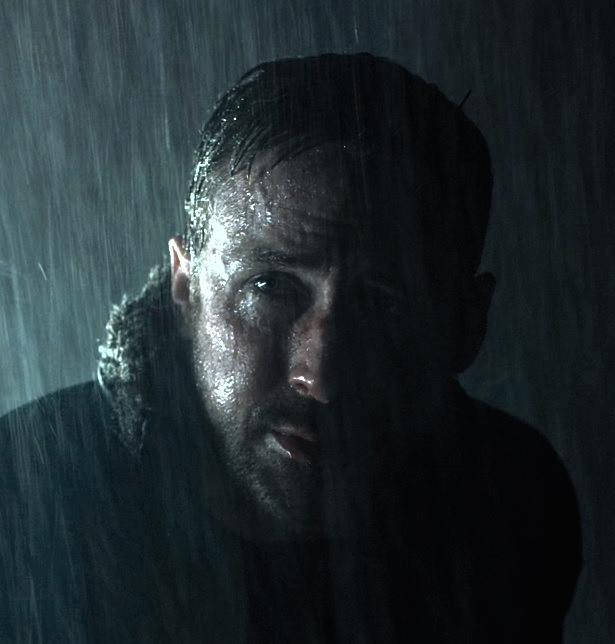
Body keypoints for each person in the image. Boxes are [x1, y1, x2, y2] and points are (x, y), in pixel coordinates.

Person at [0, 53, 581, 643]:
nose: (320, 376)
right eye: (270, 287)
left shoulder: (514, 506)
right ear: (186, 288)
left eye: (380, 302)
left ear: (466, 324)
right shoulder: (25, 499)